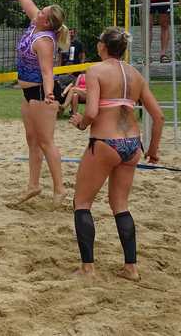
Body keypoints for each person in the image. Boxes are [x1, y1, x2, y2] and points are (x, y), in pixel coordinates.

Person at [69, 27, 164, 281]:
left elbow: (90, 113)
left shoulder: (95, 71)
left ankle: (88, 268)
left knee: (82, 203)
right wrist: (153, 149)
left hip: (105, 142)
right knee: (120, 205)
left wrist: (79, 123)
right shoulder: (135, 74)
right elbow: (159, 116)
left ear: (102, 46)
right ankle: (131, 267)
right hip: (133, 145)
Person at [7, 0, 70, 207]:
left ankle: (60, 189)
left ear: (48, 22)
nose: (38, 12)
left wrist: (51, 95)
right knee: (32, 141)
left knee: (46, 142)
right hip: (28, 92)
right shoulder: (36, 23)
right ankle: (33, 186)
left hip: (42, 92)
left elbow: (47, 71)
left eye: (42, 13)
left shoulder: (44, 40)